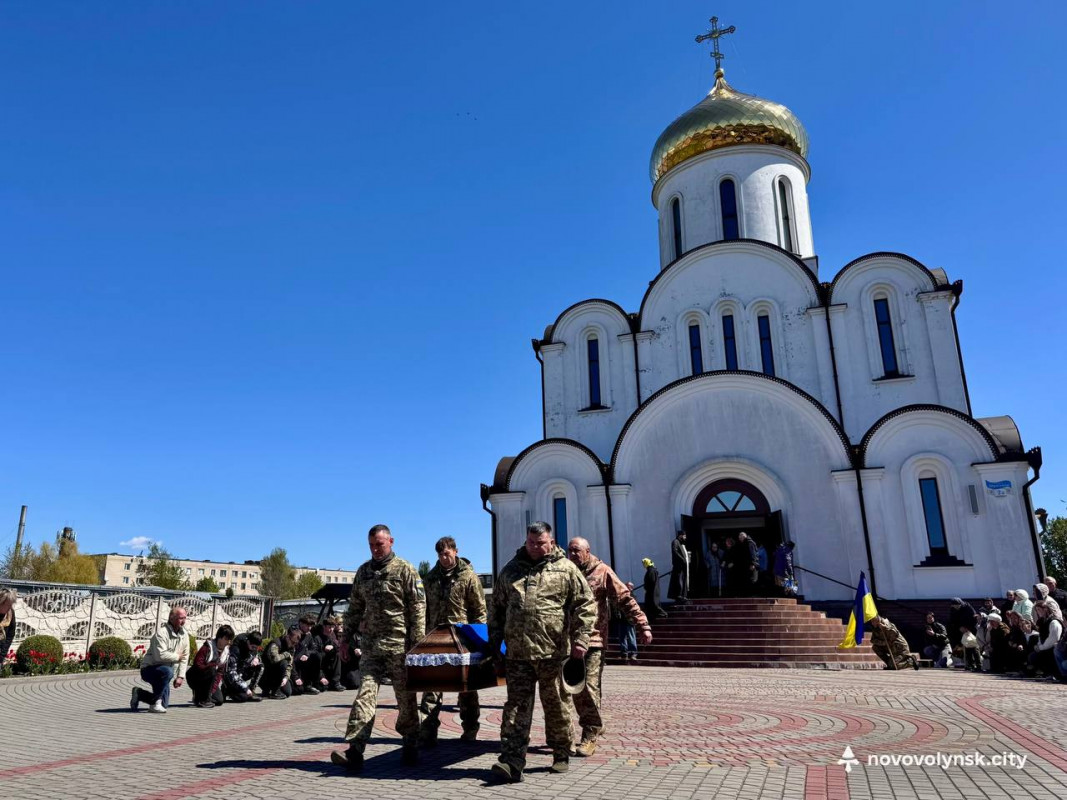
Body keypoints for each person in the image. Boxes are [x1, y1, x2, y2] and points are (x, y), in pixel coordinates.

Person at [487, 522, 595, 784]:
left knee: (556, 706)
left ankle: (560, 753)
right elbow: (497, 610)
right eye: (531, 543)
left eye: (540, 543)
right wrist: (494, 643)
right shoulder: (510, 571)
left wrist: (581, 639)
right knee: (515, 709)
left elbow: (585, 604)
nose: (535, 547)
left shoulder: (566, 569)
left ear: (551, 541)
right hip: (517, 656)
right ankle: (512, 761)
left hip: (553, 654)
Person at [331, 524, 425, 773]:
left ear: (391, 541)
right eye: (372, 545)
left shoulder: (405, 569)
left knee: (405, 700)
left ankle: (410, 742)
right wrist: (345, 639)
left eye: (380, 544)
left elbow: (417, 607)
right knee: (365, 696)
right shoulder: (363, 572)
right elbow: (354, 609)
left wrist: (416, 644)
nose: (375, 549)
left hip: (399, 646)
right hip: (371, 646)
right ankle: (355, 750)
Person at [566, 537, 652, 757]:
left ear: (587, 551)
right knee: (572, 689)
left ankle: (590, 734)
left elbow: (624, 598)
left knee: (589, 687)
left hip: (594, 640)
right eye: (570, 551)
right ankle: (594, 723)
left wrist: (643, 625)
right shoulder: (566, 572)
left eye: (576, 551)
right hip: (569, 641)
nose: (572, 554)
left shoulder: (602, 571)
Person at [419, 536, 488, 746]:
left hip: (462, 639)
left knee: (466, 688)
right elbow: (423, 610)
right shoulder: (430, 579)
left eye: (446, 553)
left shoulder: (468, 577)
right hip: (436, 639)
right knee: (432, 685)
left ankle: (470, 727)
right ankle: (427, 731)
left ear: (455, 552)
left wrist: (479, 639)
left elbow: (479, 610)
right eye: (440, 555)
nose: (443, 558)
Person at [130, 606, 189, 713]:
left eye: (185, 618)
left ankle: (139, 694)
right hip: (149, 669)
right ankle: (155, 703)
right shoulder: (161, 633)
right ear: (172, 618)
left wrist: (180, 676)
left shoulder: (184, 634)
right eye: (181, 618)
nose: (183, 621)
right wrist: (177, 656)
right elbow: (160, 656)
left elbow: (185, 656)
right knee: (167, 671)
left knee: (164, 705)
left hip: (166, 674)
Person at [187, 625, 235, 708]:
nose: (228, 642)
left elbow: (219, 673)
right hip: (196, 677)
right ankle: (201, 698)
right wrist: (213, 665)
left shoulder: (226, 652)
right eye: (226, 639)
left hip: (210, 681)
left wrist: (211, 691)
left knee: (219, 700)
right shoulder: (207, 647)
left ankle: (202, 696)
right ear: (220, 638)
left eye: (230, 640)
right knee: (212, 670)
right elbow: (197, 665)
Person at [1029, 584, 1063, 678]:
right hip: (1044, 632)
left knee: (1048, 651)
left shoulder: (1049, 602)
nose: (1034, 594)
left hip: (1053, 637)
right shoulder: (1037, 603)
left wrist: (1042, 647)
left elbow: (1054, 636)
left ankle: (1054, 673)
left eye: (1036, 592)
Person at [223, 630, 265, 702]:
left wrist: (256, 658)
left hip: (243, 671)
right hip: (232, 675)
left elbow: (255, 654)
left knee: (260, 666)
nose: (254, 649)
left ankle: (251, 690)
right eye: (253, 647)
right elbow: (232, 672)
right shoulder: (236, 648)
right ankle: (226, 689)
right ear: (248, 642)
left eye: (256, 648)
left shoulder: (253, 642)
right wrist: (245, 688)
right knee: (242, 697)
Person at [261, 625, 300, 699]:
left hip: (279, 675)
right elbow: (274, 659)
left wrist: (286, 677)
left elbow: (289, 665)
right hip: (266, 673)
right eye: (292, 642)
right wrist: (285, 654)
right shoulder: (276, 643)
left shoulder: (292, 648)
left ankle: (275, 688)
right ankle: (273, 690)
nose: (293, 644)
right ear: (288, 637)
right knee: (283, 662)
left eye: (295, 643)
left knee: (288, 692)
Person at [292, 614, 325, 695]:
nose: (309, 628)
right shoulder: (293, 634)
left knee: (317, 656)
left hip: (303, 661)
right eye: (307, 625)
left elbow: (314, 648)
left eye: (311, 626)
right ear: (301, 623)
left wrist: (307, 654)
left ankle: (309, 683)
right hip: (294, 664)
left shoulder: (308, 635)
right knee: (298, 690)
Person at [315, 616, 345, 692]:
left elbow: (338, 647)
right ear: (324, 626)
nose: (331, 629)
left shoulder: (332, 636)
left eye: (332, 627)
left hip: (329, 664)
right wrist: (324, 650)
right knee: (323, 688)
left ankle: (336, 682)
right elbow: (315, 655)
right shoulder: (317, 638)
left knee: (337, 654)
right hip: (320, 665)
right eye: (329, 627)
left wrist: (333, 647)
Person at [611, 582, 640, 662]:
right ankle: (624, 653)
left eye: (628, 586)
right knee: (622, 637)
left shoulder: (633, 597)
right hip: (621, 620)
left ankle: (633, 653)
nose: (625, 588)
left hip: (629, 620)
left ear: (631, 588)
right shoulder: (621, 596)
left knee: (631, 636)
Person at [668, 531, 690, 603]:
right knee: (679, 581)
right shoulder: (675, 542)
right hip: (678, 567)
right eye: (684, 536)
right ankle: (679, 596)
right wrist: (682, 559)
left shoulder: (681, 544)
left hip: (683, 567)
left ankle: (683, 595)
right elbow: (675, 552)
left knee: (683, 581)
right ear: (680, 536)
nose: (685, 538)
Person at [0, 588, 17, 660]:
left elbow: (11, 633)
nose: (10, 607)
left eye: (11, 604)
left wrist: (3, 653)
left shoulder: (10, 613)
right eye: (8, 604)